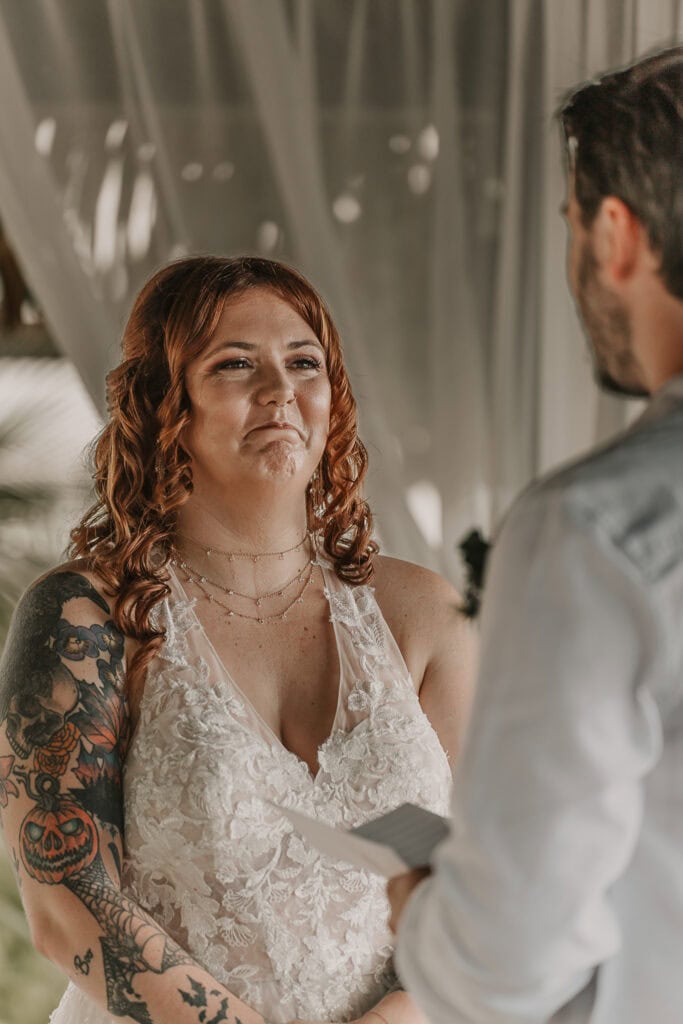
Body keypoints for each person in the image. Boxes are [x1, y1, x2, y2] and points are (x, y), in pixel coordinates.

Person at [0, 255, 476, 1024]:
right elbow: (67, 907)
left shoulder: (419, 612)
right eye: (234, 365)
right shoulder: (87, 618)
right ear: (165, 402)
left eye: (303, 363)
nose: (280, 391)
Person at [388, 44, 683, 1024]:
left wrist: (422, 909)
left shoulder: (592, 530)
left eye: (566, 225)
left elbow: (502, 961)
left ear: (614, 233)